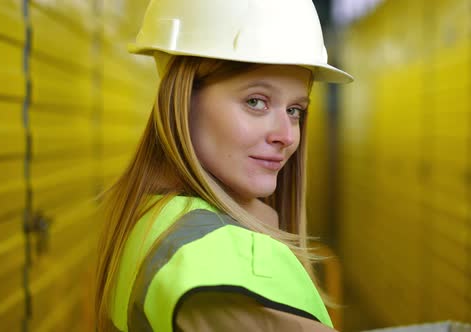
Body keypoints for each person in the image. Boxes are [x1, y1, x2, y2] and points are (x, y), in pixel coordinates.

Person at [94, 0, 353, 331]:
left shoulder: (154, 219)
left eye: (295, 110)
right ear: (183, 99)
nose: (286, 136)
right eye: (256, 102)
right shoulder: (226, 263)